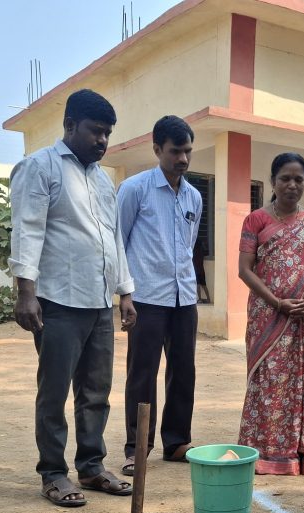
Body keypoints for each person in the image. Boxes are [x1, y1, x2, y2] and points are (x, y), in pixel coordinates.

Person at [9, 89, 136, 507]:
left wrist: (125, 292)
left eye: (108, 133)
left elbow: (114, 239)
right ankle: (53, 473)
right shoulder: (40, 166)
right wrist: (25, 292)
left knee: (96, 390)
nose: (103, 140)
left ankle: (92, 465)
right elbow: (27, 229)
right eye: (95, 131)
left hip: (98, 302)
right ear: (69, 125)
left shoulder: (102, 180)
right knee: (54, 391)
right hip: (58, 301)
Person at [237, 153, 304, 475]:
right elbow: (245, 270)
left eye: (299, 179)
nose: (292, 185)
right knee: (268, 381)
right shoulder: (256, 220)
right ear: (273, 181)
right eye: (285, 178)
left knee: (301, 381)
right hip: (267, 316)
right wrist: (276, 302)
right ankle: (265, 451)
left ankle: (301, 453)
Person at [117, 116, 201, 474]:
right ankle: (137, 448)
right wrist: (124, 293)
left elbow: (189, 245)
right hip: (146, 297)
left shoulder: (194, 196)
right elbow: (118, 242)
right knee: (142, 373)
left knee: (183, 371)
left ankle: (177, 441)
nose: (183, 159)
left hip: (184, 298)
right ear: (157, 150)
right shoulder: (135, 189)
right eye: (175, 151)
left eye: (187, 151)